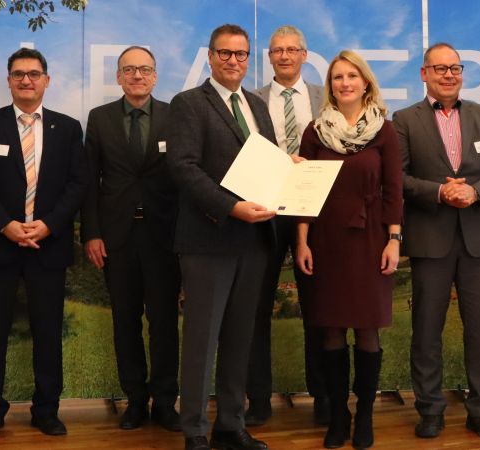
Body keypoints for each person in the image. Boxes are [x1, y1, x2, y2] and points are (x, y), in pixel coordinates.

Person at [392, 42, 480, 440]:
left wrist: (475, 192)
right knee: (426, 330)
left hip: (479, 239)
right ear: (424, 74)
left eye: (456, 68)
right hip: (431, 239)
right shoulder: (404, 119)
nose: (449, 74)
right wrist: (439, 193)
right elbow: (399, 179)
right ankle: (430, 411)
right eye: (440, 68)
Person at [0, 47, 86, 439]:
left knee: (48, 332)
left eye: (34, 74)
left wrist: (48, 224)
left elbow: (77, 184)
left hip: (47, 244)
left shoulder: (67, 128)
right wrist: (5, 225)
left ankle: (47, 409)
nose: (26, 80)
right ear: (9, 80)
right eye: (19, 74)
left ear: (46, 80)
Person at [168, 23, 277, 450]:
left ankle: (231, 424)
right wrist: (231, 207)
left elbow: (264, 164)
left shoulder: (257, 106)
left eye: (241, 54)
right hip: (209, 239)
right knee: (201, 339)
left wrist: (290, 168)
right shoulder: (189, 104)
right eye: (225, 53)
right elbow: (183, 167)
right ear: (210, 57)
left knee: (239, 338)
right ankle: (194, 430)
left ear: (249, 60)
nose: (234, 61)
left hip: (255, 240)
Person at [294, 50, 403, 450]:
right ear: (331, 86)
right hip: (325, 241)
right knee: (332, 332)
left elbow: (394, 190)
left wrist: (394, 240)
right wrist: (302, 240)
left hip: (372, 239)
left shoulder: (385, 131)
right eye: (337, 77)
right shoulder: (315, 131)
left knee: (367, 333)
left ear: (366, 82)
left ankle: (366, 417)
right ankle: (339, 416)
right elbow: (301, 191)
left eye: (351, 76)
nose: (344, 83)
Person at [80, 46, 182, 432]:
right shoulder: (100, 118)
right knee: (125, 322)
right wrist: (92, 232)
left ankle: (166, 402)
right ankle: (136, 400)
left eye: (144, 69)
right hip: (117, 239)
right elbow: (89, 181)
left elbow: (186, 177)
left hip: (164, 238)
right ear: (119, 77)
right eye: (129, 70)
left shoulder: (175, 116)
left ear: (155, 76)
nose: (137, 76)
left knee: (164, 323)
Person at [246, 25, 326, 426]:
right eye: (277, 50)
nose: (284, 56)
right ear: (270, 57)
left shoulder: (325, 98)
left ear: (305, 55)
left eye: (292, 49)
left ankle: (323, 397)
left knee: (320, 306)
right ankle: (258, 398)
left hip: (315, 212)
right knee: (256, 307)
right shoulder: (251, 100)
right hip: (266, 210)